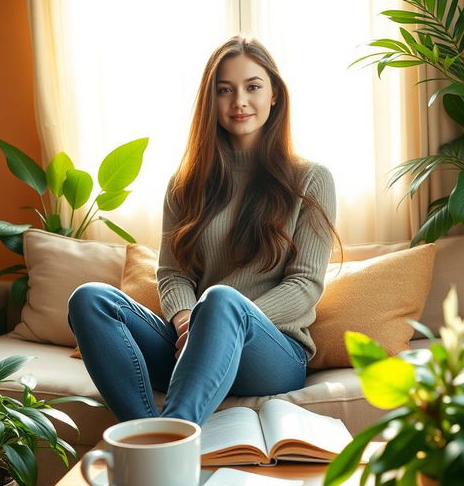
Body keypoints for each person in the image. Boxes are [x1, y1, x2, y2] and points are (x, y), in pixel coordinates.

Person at [68, 36, 337, 426]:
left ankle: (175, 433)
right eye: (224, 90)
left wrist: (222, 323)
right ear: (210, 101)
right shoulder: (186, 183)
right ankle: (146, 435)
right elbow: (173, 273)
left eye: (253, 87)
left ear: (275, 94)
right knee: (89, 299)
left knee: (222, 301)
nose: (239, 101)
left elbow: (305, 285)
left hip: (270, 353)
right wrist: (185, 323)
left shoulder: (311, 179)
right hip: (190, 346)